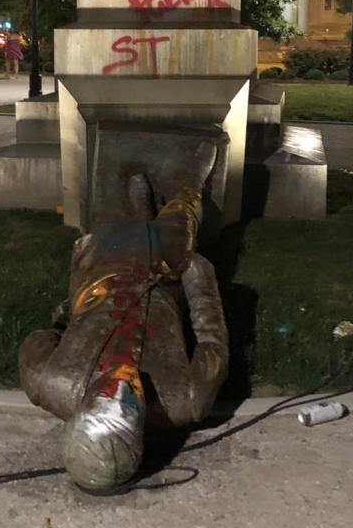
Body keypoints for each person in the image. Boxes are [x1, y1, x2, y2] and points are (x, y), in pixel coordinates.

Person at [19, 138, 227, 493]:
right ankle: (186, 185)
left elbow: (41, 338)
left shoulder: (50, 382)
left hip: (103, 269)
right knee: (183, 214)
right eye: (130, 405)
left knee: (111, 227)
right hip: (164, 274)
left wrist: (74, 316)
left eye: (103, 398)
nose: (123, 384)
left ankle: (140, 213)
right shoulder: (185, 398)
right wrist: (198, 280)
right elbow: (212, 343)